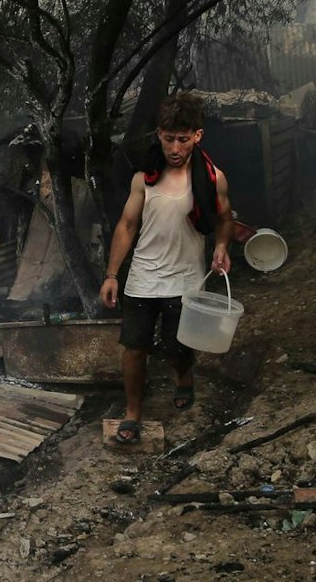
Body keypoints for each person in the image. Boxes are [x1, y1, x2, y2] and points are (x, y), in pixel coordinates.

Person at [99, 92, 236, 445]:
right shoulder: (144, 178)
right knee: (134, 348)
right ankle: (133, 412)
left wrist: (221, 246)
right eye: (169, 138)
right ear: (159, 134)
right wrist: (113, 274)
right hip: (143, 279)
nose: (175, 147)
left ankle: (184, 378)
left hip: (186, 281)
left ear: (197, 136)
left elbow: (224, 219)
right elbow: (127, 226)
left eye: (183, 139)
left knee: (177, 348)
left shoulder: (212, 177)